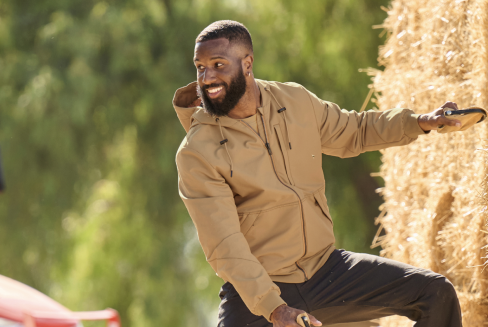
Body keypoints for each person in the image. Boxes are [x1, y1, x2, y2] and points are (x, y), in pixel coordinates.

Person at [173, 20, 463, 327]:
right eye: (200, 67)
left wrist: (419, 122)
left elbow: (355, 130)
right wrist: (274, 308)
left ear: (247, 64)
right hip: (259, 292)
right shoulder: (197, 152)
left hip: (328, 273)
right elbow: (225, 246)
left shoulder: (294, 102)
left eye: (218, 65)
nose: (207, 77)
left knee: (435, 293)